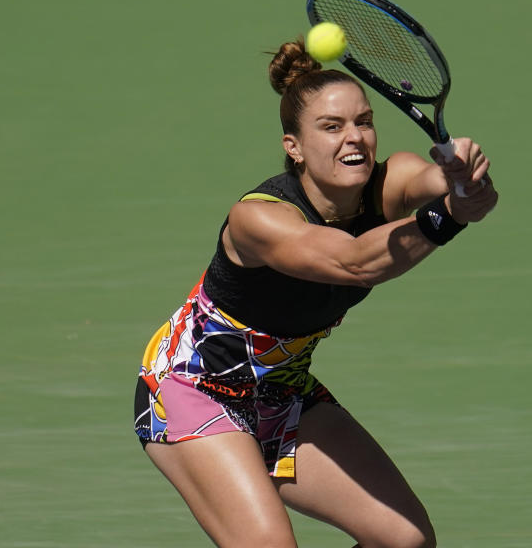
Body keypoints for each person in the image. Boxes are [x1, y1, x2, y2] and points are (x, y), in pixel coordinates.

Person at [133, 37, 498, 548]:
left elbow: (434, 181)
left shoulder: (390, 181)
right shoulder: (258, 219)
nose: (354, 138)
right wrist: (449, 216)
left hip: (282, 391)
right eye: (331, 127)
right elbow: (352, 263)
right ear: (294, 147)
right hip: (190, 390)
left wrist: (464, 176)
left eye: (363, 122)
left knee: (405, 540)